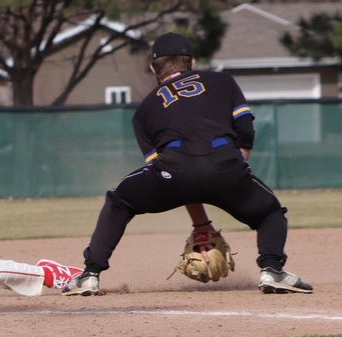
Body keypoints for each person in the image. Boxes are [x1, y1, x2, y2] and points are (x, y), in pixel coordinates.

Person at [61, 32, 312, 296]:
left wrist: (201, 224)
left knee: (119, 201)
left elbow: (181, 178)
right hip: (225, 165)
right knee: (270, 212)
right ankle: (272, 270)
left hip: (174, 170)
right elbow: (245, 128)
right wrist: (237, 168)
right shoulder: (222, 81)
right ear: (191, 63)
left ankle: (90, 274)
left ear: (152, 69)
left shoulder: (144, 110)